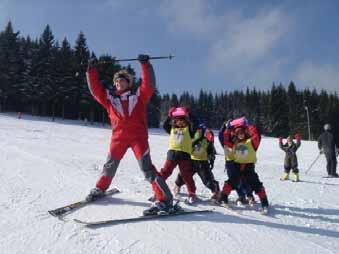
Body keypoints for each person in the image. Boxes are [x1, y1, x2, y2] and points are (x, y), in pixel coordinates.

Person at [86, 54, 175, 216]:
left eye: (122, 80)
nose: (118, 83)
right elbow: (95, 90)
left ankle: (165, 200)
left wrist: (145, 65)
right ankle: (100, 188)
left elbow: (149, 85)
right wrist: (91, 71)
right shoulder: (109, 99)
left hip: (137, 138)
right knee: (109, 166)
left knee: (147, 168)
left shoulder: (138, 97)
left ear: (129, 83)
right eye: (116, 81)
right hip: (118, 138)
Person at [218, 117, 269, 213]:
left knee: (255, 183)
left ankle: (264, 201)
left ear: (245, 132)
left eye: (242, 132)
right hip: (237, 166)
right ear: (235, 134)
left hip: (248, 167)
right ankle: (223, 197)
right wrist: (228, 128)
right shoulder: (233, 144)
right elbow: (225, 139)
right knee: (232, 181)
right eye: (238, 133)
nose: (240, 134)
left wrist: (248, 125)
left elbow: (256, 135)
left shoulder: (252, 142)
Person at [159, 107, 197, 203]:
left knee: (186, 175)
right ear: (175, 122)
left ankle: (191, 193)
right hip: (172, 154)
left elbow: (195, 124)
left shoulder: (189, 130)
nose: (180, 123)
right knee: (165, 172)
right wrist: (169, 115)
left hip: (184, 155)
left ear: (186, 122)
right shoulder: (171, 129)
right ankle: (158, 189)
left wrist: (189, 114)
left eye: (182, 121)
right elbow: (164, 125)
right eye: (178, 121)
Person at [173, 124, 220, 201]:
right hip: (190, 159)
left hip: (202, 161)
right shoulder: (191, 135)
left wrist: (211, 157)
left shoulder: (208, 137)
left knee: (207, 178)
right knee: (184, 174)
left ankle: (216, 192)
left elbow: (211, 149)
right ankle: (177, 186)